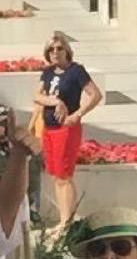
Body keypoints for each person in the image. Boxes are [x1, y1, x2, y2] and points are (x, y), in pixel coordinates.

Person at [34, 33, 102, 233]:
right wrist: (56, 101)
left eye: (59, 48)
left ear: (67, 50)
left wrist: (77, 114)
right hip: (49, 128)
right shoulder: (48, 72)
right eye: (51, 49)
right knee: (56, 176)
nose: (55, 52)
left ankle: (67, 222)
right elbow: (37, 96)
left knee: (64, 176)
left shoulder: (76, 71)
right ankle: (63, 219)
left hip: (66, 128)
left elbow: (95, 95)